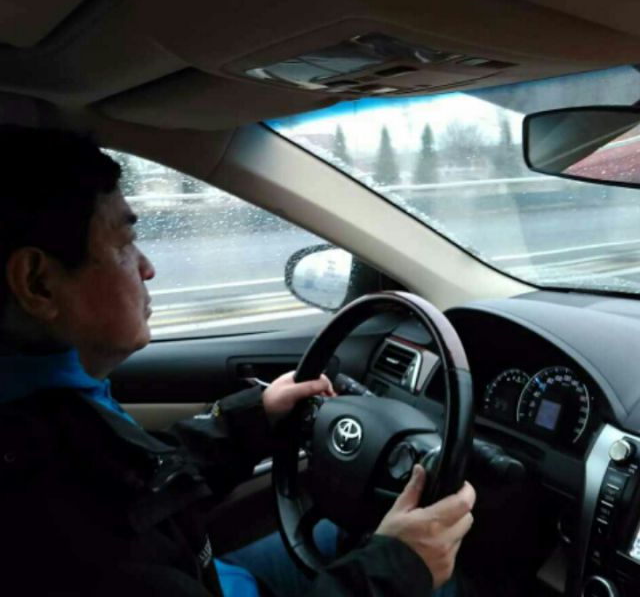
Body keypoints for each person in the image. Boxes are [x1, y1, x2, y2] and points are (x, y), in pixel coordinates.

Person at [0, 126, 476, 596]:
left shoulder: (52, 411)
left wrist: (256, 416)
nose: (148, 267)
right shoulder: (51, 505)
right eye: (124, 244)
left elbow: (143, 482)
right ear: (38, 283)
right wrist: (393, 570)